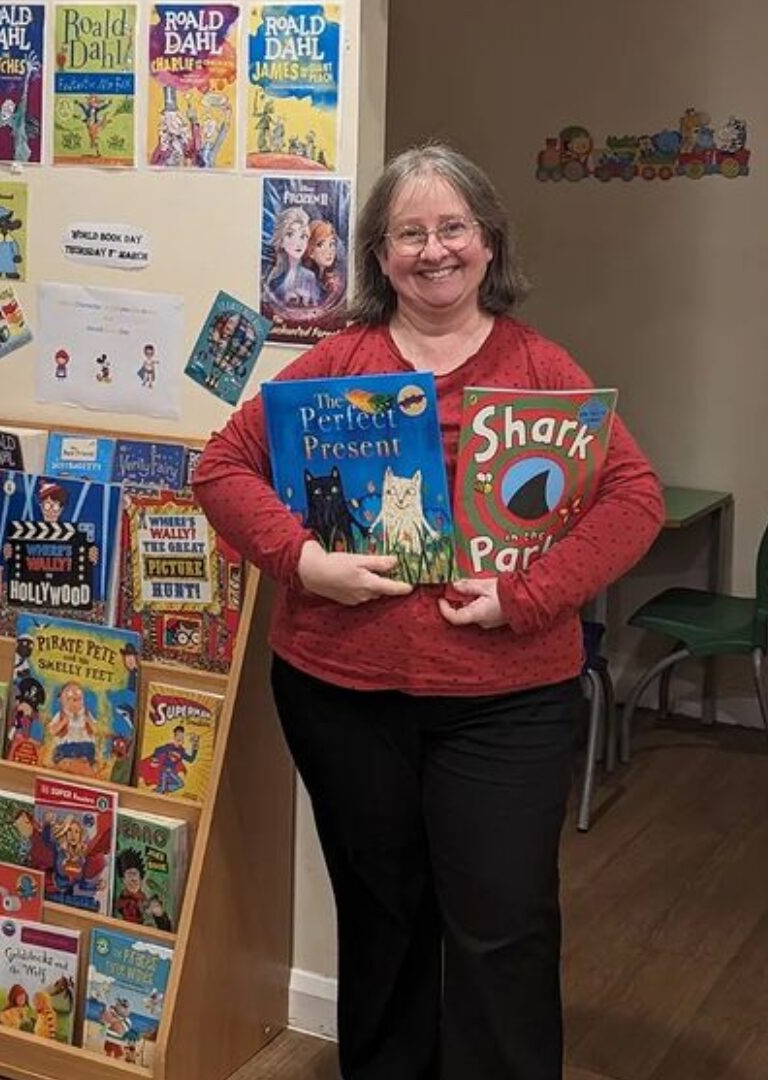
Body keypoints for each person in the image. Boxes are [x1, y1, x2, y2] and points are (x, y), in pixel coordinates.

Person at [192, 142, 665, 1080]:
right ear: (377, 255)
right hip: (343, 695)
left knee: (503, 928)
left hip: (507, 702)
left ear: (489, 244)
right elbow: (221, 468)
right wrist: (306, 562)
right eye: (410, 233)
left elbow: (634, 498)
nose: (434, 250)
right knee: (383, 921)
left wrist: (529, 596)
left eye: (454, 228)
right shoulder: (338, 365)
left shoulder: (539, 367)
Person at [262, 206, 322, 309]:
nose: (298, 243)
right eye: (290, 235)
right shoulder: (271, 275)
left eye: (303, 236)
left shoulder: (309, 277)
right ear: (281, 240)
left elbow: (317, 310)